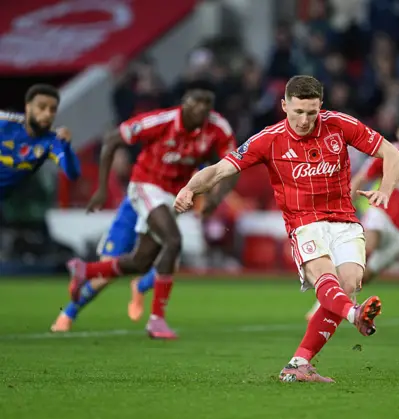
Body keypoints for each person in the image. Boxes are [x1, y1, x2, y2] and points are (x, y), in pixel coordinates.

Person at [173, 75, 399, 383]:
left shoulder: (340, 125)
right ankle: (354, 315)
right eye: (298, 112)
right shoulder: (267, 139)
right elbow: (219, 170)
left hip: (345, 221)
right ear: (284, 106)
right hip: (304, 224)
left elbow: (393, 153)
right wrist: (189, 189)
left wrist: (386, 189)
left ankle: (298, 365)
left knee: (348, 284)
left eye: (312, 112)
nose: (305, 120)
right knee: (326, 278)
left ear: (321, 106)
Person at [65, 84, 237, 339]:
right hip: (146, 185)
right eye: (195, 106)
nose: (201, 112)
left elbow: (233, 165)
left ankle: (86, 271)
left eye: (206, 108)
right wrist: (102, 189)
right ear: (184, 106)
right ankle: (157, 320)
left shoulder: (218, 128)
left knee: (141, 261)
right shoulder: (160, 121)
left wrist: (216, 197)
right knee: (174, 241)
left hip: (174, 195)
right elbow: (113, 139)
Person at [305, 116, 399, 319]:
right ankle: (323, 300)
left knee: (366, 275)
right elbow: (360, 179)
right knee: (367, 245)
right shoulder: (387, 153)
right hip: (383, 214)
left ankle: (334, 300)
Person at [51, 182, 232, 332]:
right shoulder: (166, 148)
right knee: (106, 276)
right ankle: (68, 313)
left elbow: (213, 179)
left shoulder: (197, 155)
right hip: (132, 212)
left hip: (161, 216)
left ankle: (140, 287)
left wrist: (212, 199)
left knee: (170, 266)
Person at [0, 84, 80, 200]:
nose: (47, 114)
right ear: (28, 107)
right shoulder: (5, 125)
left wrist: (67, 146)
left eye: (52, 110)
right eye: (42, 107)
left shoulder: (52, 142)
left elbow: (73, 174)